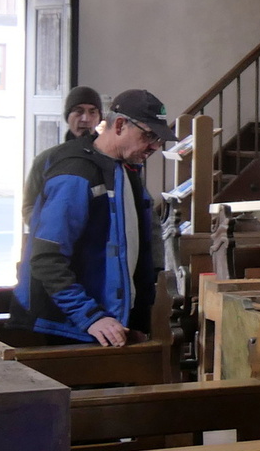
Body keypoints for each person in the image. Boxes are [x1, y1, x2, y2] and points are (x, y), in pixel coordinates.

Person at [13, 89, 175, 347]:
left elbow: (136, 249)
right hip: (73, 327)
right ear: (120, 124)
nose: (155, 146)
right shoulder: (76, 172)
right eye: (149, 135)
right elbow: (47, 258)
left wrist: (139, 316)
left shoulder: (125, 169)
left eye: (159, 139)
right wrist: (90, 317)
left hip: (112, 324)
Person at [21, 86, 105, 228]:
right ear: (68, 116)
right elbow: (29, 207)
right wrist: (49, 227)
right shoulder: (46, 160)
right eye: (78, 111)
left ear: (99, 118)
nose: (86, 119)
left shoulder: (109, 160)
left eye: (92, 112)